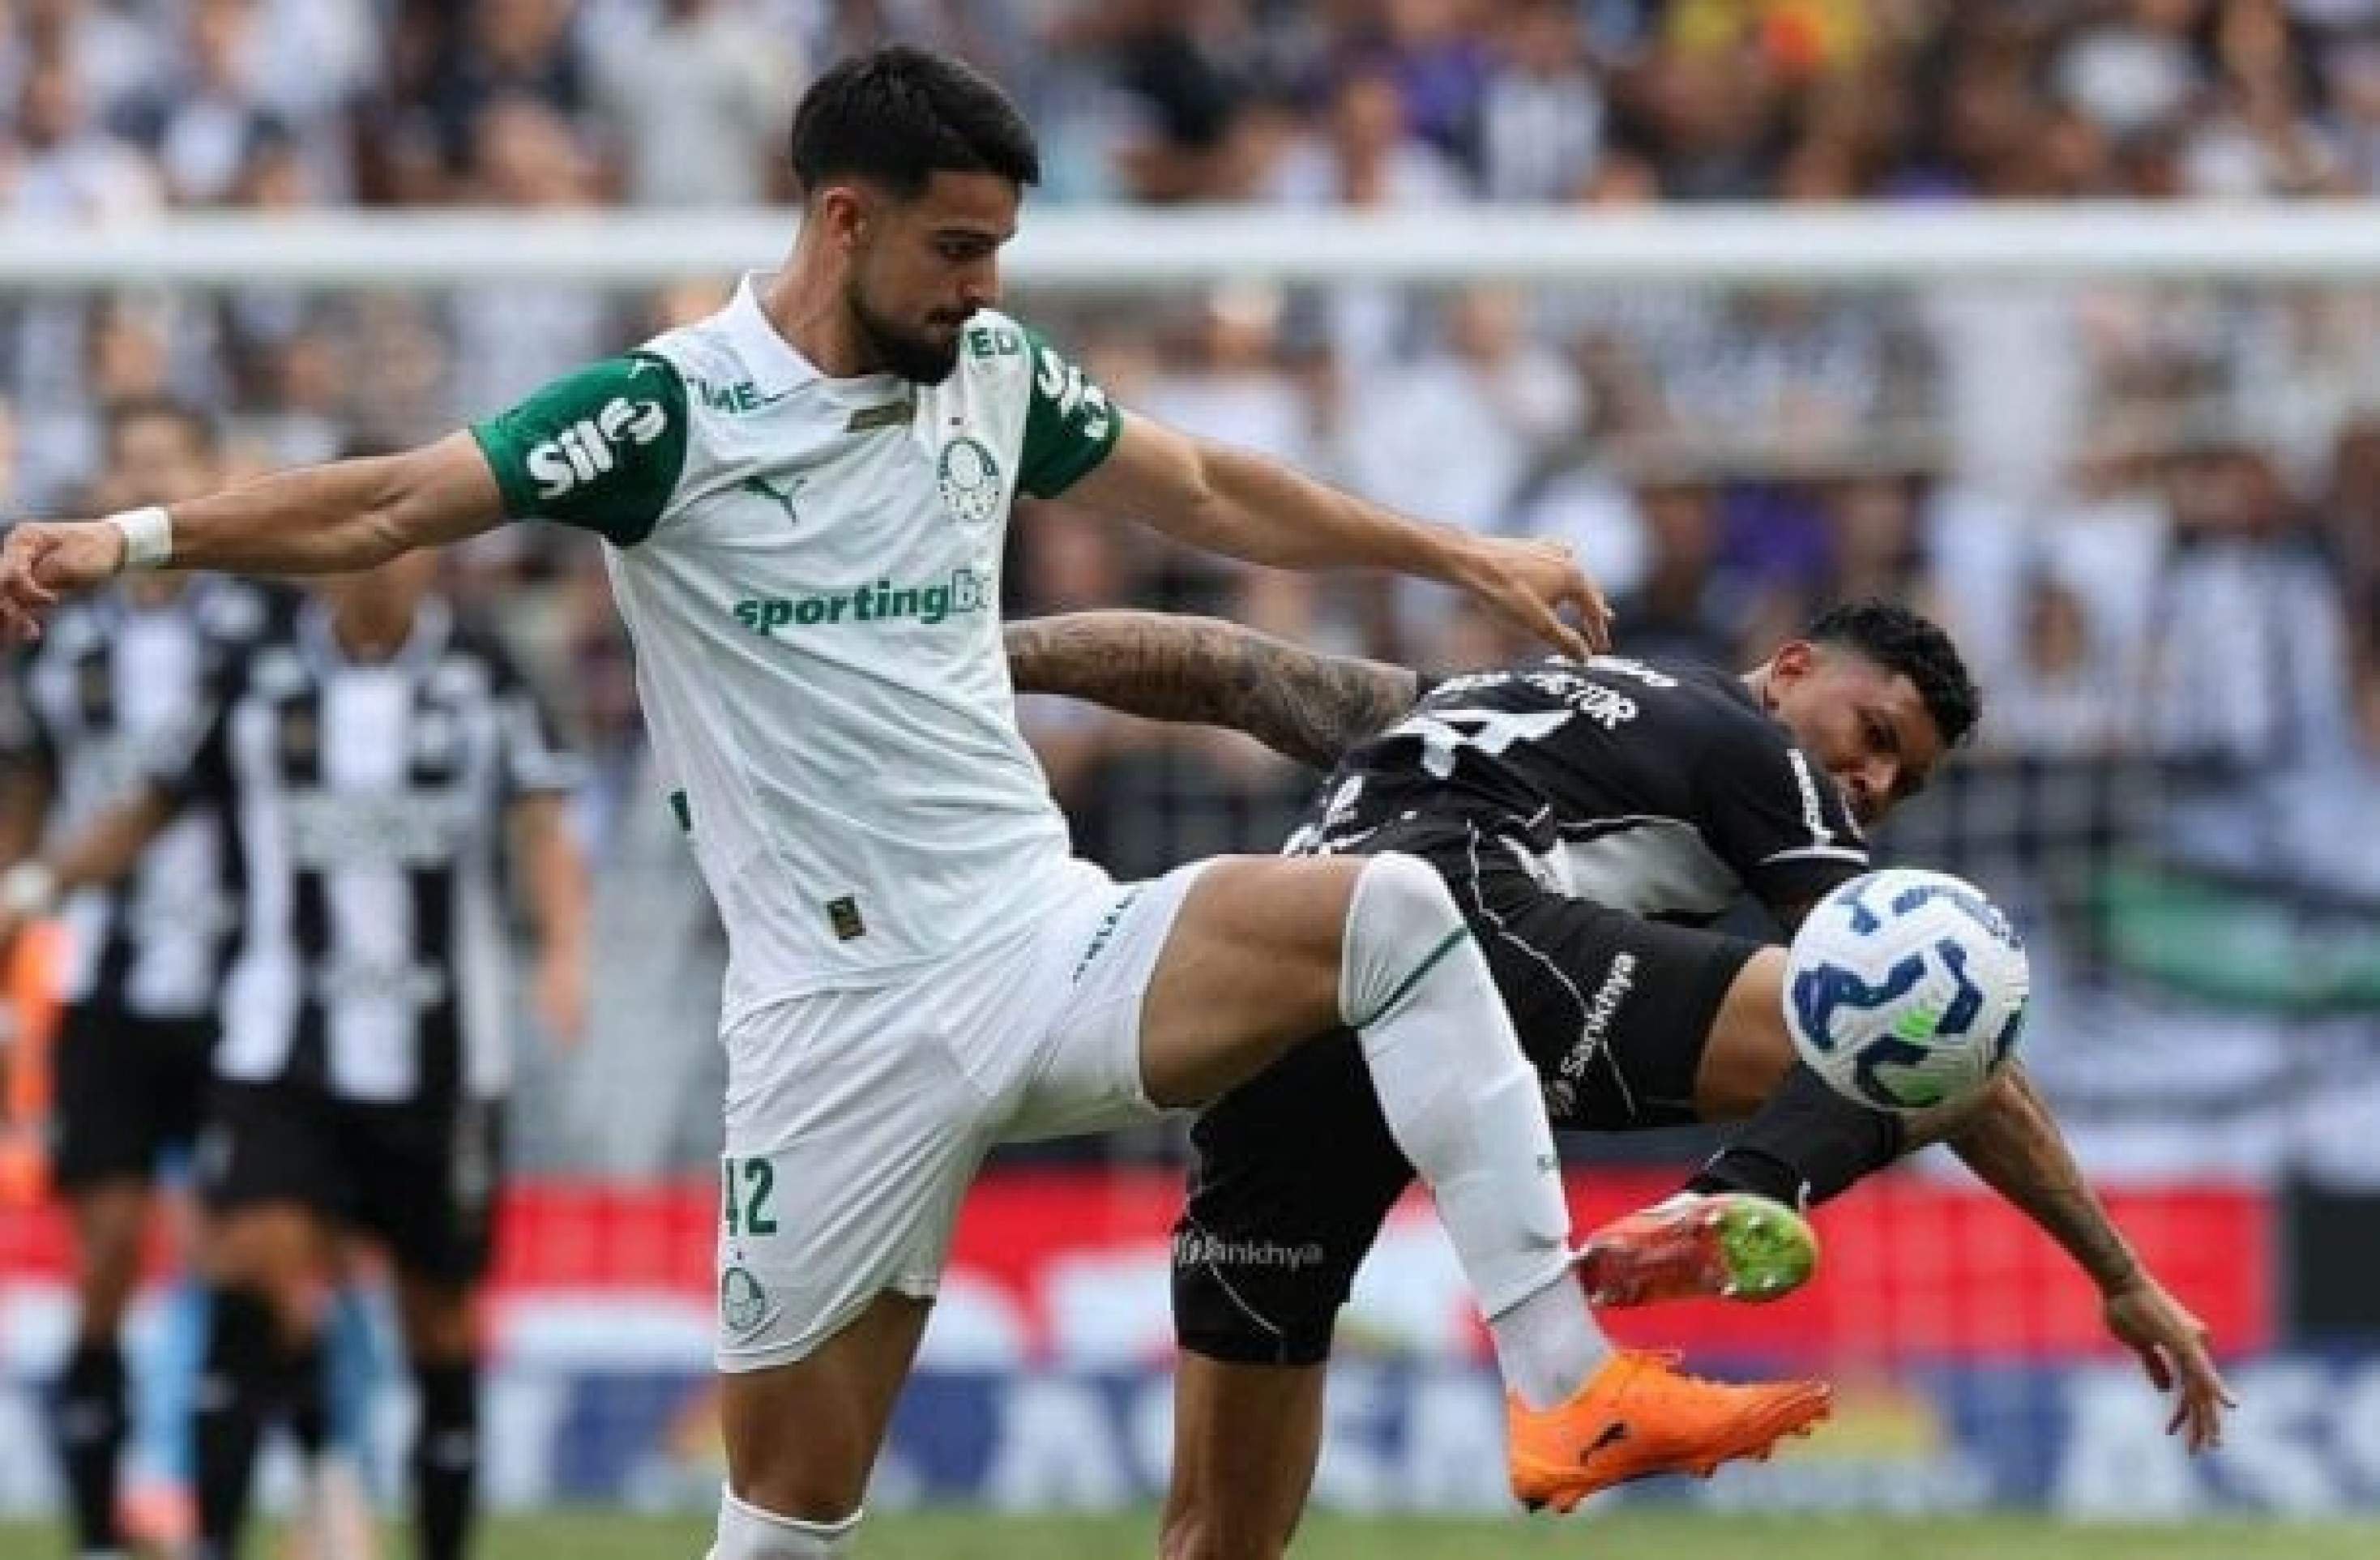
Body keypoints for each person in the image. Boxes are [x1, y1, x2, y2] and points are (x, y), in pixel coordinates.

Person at [0, 45, 1835, 1557]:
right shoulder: (667, 417)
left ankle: (1563, 1381)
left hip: (1037, 940)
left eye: (1001, 253)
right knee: (786, 1526)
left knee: (1390, 916)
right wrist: (133, 539)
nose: (984, 290)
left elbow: (1199, 484)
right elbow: (390, 502)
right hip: (832, 1026)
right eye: (956, 249)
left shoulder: (988, 373)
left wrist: (1455, 553)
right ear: (839, 217)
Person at [1001, 602, 2238, 1559]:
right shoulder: (1758, 747)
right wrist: (2117, 1273)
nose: (1869, 786)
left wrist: (977, 653)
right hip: (1464, 930)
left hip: (1280, 1019)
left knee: (1218, 1537)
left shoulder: (1491, 693)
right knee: (1930, 1016)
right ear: (1794, 664)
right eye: (1875, 738)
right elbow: (1928, 1047)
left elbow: (1228, 669)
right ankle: (1725, 1203)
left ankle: (1703, 1218)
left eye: (1900, 783)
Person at [0, 546, 589, 1560]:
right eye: (359, 550)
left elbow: (542, 820)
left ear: (435, 563)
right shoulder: (258, 678)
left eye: (404, 551)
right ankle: (224, 1533)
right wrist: (33, 888)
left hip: (447, 1059)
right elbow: (149, 802)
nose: (378, 573)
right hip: (281, 1042)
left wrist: (568, 948)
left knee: (438, 1322)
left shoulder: (482, 673)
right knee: (246, 1268)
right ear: (326, 565)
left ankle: (421, 1533)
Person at [0, 399, 282, 1560]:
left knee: (240, 1262)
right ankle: (101, 1531)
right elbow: (25, 780)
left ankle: (226, 1521)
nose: (144, 478)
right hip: (106, 985)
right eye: (129, 463)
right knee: (107, 1254)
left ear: (203, 476)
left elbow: (180, 796)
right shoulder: (63, 641)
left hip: (239, 981)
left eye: (167, 464)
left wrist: (35, 885)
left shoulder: (257, 628)